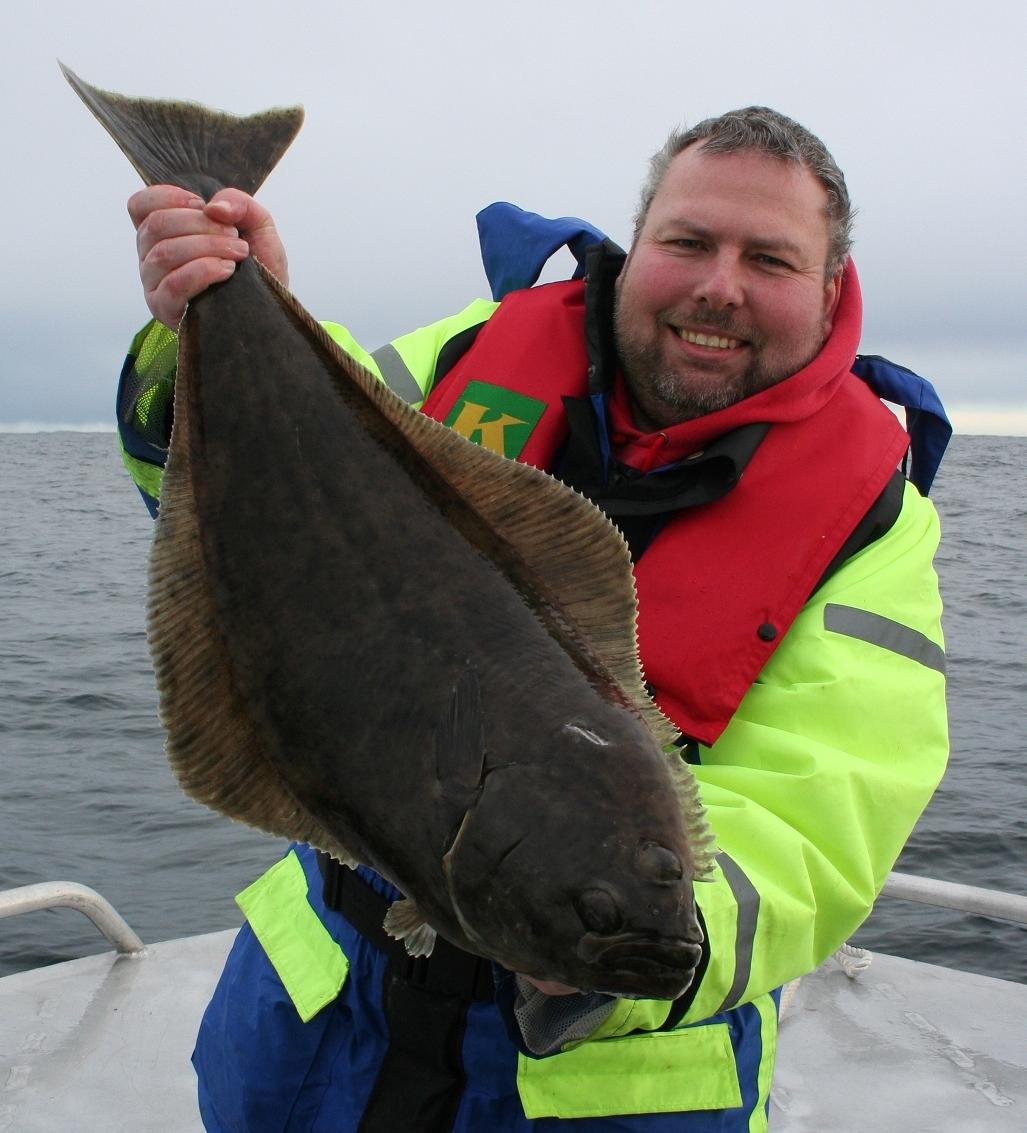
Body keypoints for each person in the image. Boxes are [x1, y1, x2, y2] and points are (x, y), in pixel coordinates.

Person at [117, 108, 949, 1131]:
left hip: (605, 1088)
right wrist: (208, 317)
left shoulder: (871, 524)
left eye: (768, 259)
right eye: (687, 241)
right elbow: (240, 509)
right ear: (637, 243)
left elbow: (820, 818)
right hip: (316, 1023)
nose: (718, 286)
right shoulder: (468, 352)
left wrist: (607, 940)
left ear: (828, 290)